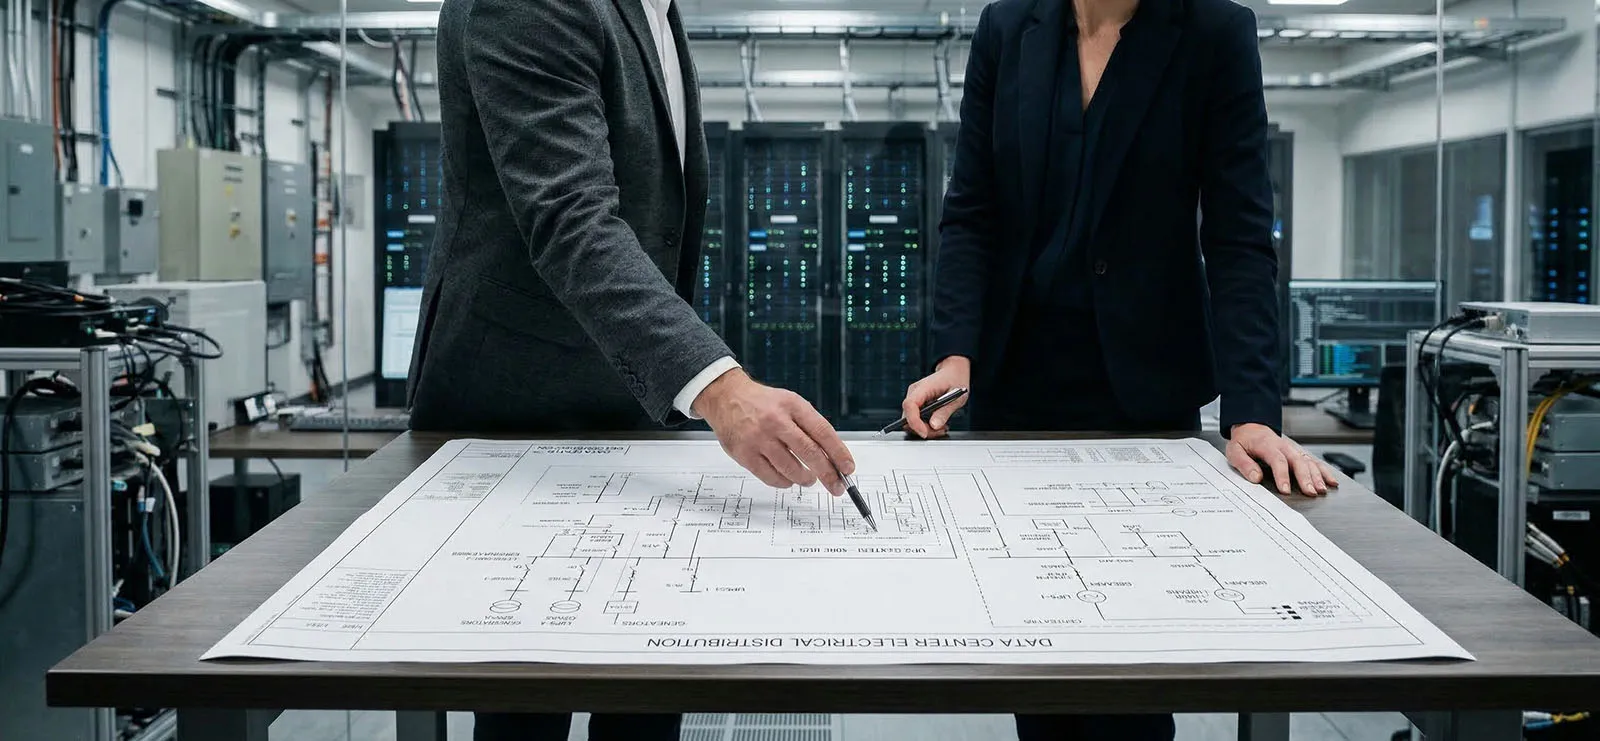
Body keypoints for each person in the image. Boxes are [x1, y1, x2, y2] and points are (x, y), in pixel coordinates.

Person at [410, 0, 856, 738]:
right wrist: (719, 387)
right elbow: (569, 216)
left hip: (630, 391)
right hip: (520, 411)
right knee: (529, 695)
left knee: (651, 673)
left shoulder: (657, 9)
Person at [901, 0, 1340, 738]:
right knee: (1040, 664)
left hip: (1142, 392)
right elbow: (971, 210)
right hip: (1016, 393)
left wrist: (1253, 410)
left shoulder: (1212, 32)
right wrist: (956, 351)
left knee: (1131, 665)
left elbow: (1238, 236)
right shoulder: (1009, 28)